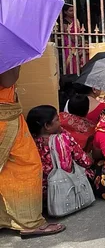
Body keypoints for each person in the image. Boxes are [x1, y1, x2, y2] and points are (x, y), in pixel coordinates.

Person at [0, 66, 65, 237]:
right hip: (4, 119)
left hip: (6, 115)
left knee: (6, 170)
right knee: (27, 166)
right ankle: (29, 222)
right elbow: (8, 80)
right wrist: (17, 58)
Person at [26, 105, 93, 200]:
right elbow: (85, 162)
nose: (60, 122)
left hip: (40, 193)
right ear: (47, 126)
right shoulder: (63, 139)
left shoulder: (28, 141)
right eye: (57, 120)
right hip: (64, 188)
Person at [62, 3, 86, 75]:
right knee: (71, 62)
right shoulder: (64, 22)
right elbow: (68, 33)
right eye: (70, 10)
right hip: (69, 44)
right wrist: (75, 41)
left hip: (77, 43)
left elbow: (79, 32)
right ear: (65, 12)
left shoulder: (76, 20)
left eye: (74, 10)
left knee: (79, 61)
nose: (73, 12)